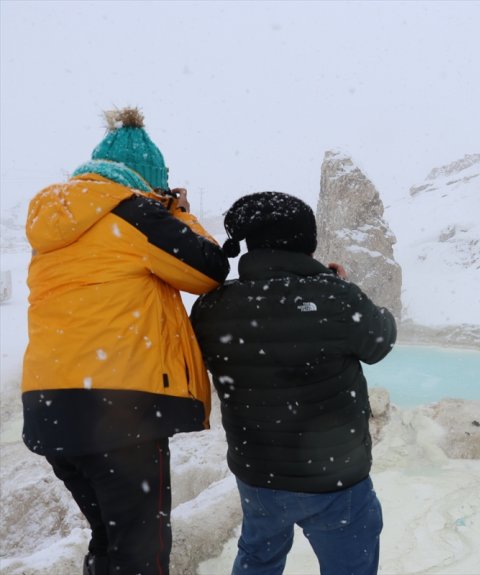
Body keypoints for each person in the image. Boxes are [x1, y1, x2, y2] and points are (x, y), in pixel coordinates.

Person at [22, 107, 229, 575]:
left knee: (110, 539)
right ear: (149, 181)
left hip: (49, 409)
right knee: (142, 552)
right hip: (119, 410)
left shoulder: (51, 228)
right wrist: (178, 212)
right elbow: (208, 272)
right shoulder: (133, 214)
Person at [190, 192, 397, 575]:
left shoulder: (212, 307)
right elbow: (380, 339)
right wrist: (333, 286)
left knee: (259, 557)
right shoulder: (335, 297)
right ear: (307, 241)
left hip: (258, 474)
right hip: (335, 478)